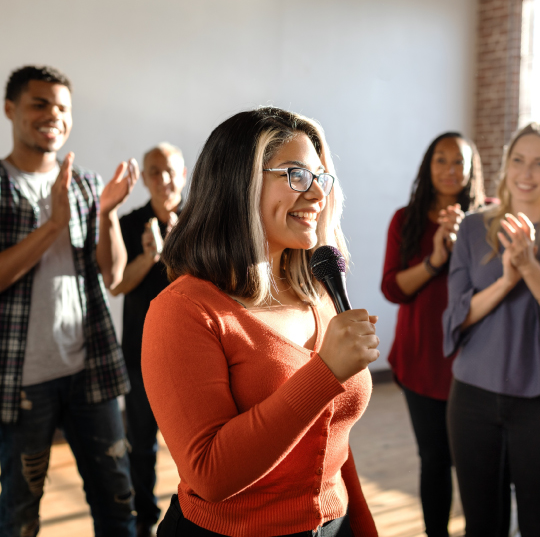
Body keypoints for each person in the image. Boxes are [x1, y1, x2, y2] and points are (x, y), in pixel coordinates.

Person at [142, 107, 380, 537]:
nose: (316, 194)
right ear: (238, 185)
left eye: (319, 177)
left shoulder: (319, 293)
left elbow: (332, 446)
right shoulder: (182, 310)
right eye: (294, 174)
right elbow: (210, 475)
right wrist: (325, 372)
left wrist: (360, 526)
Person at [0, 65, 138, 536]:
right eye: (40, 103)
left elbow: (114, 275)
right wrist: (53, 226)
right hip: (20, 383)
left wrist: (108, 214)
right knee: (18, 513)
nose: (53, 115)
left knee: (118, 502)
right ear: (10, 109)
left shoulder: (84, 186)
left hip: (90, 373)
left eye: (62, 107)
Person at [381, 132, 485, 537]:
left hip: (474, 360)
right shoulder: (404, 220)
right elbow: (392, 288)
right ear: (428, 167)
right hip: (421, 358)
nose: (449, 170)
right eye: (440, 160)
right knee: (435, 458)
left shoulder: (488, 217)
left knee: (479, 462)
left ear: (472, 168)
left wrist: (466, 243)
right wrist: (436, 259)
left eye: (458, 161)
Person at [443, 123, 540, 537]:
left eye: (539, 164)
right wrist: (506, 280)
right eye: (518, 160)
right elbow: (456, 316)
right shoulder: (472, 229)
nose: (527, 173)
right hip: (472, 398)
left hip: (536, 402)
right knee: (482, 523)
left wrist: (530, 266)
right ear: (506, 165)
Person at [110, 143, 187, 537]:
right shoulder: (129, 222)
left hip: (191, 352)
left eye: (170, 170)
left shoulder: (198, 220)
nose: (164, 179)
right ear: (144, 178)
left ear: (184, 174)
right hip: (141, 351)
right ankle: (143, 518)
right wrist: (150, 257)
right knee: (140, 439)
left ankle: (194, 512)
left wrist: (177, 255)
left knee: (194, 441)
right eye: (154, 172)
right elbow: (118, 284)